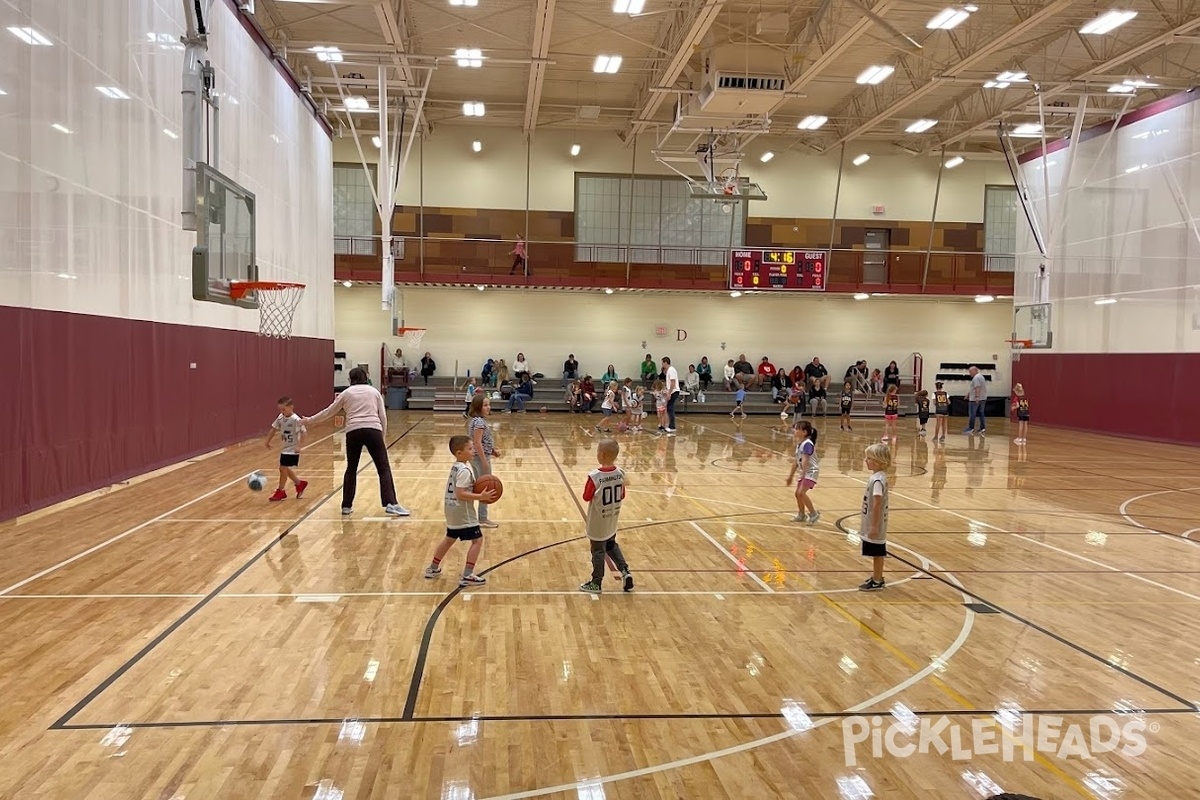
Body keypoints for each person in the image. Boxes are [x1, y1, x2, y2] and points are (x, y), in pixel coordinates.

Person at [303, 367, 408, 517]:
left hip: (353, 432)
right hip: (373, 430)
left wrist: (310, 420)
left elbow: (329, 411)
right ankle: (391, 503)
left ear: (350, 379)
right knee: (383, 468)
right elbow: (382, 417)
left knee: (351, 469)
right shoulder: (374, 392)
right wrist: (382, 438)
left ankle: (346, 506)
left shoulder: (346, 393)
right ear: (366, 377)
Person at [424, 435, 496, 587]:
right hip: (463, 513)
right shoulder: (464, 471)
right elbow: (460, 493)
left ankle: (432, 568)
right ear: (459, 453)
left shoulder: (456, 467)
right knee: (477, 540)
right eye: (470, 449)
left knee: (449, 539)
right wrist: (480, 496)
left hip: (451, 510)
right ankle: (468, 575)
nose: (473, 450)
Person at [578, 439, 633, 594]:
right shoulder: (620, 473)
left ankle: (596, 583)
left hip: (598, 521)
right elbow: (622, 494)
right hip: (612, 517)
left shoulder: (595, 476)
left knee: (598, 551)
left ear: (601, 455)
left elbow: (586, 496)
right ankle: (625, 571)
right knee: (611, 544)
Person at [858, 443, 891, 591]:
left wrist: (874, 526)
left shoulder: (878, 480)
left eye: (869, 458)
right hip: (871, 520)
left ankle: (878, 580)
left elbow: (877, 504)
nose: (866, 460)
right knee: (876, 552)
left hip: (875, 523)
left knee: (877, 553)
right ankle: (876, 576)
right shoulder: (877, 477)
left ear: (878, 461)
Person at [467, 393, 501, 529]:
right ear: (478, 407)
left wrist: (492, 451)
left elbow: (481, 442)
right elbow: (477, 442)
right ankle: (482, 518)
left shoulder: (475, 421)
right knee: (486, 487)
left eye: (489, 405)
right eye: (485, 405)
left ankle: (476, 516)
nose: (488, 408)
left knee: (479, 486)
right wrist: (484, 460)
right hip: (480, 458)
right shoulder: (479, 422)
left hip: (477, 457)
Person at [264, 395, 307, 502]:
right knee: (285, 469)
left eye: (284, 409)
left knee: (282, 468)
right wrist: (267, 441)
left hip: (292, 449)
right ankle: (299, 483)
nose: (282, 411)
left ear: (291, 407)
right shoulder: (280, 417)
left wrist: (299, 446)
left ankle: (281, 491)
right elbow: (273, 429)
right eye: (280, 409)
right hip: (285, 448)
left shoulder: (296, 419)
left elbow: (304, 433)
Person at [786, 420, 820, 525]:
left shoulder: (808, 444)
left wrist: (804, 474)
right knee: (797, 494)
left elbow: (805, 459)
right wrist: (790, 476)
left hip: (811, 471)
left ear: (804, 432)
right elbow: (796, 462)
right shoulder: (799, 444)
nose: (794, 430)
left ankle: (814, 514)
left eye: (796, 429)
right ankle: (801, 514)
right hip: (804, 472)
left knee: (801, 493)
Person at [963, 365, 987, 435]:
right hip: (983, 398)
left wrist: (976, 397)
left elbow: (977, 387)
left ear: (975, 371)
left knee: (972, 414)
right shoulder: (981, 376)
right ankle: (982, 428)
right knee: (981, 413)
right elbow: (973, 388)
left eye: (970, 372)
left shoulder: (976, 378)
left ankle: (971, 428)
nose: (970, 373)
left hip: (975, 400)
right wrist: (968, 395)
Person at [662, 356, 680, 434]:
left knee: (670, 408)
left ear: (666, 362)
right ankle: (670, 425)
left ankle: (672, 426)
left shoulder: (671, 370)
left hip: (674, 391)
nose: (662, 364)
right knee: (669, 408)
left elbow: (673, 382)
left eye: (662, 363)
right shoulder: (669, 370)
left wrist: (669, 392)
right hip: (671, 391)